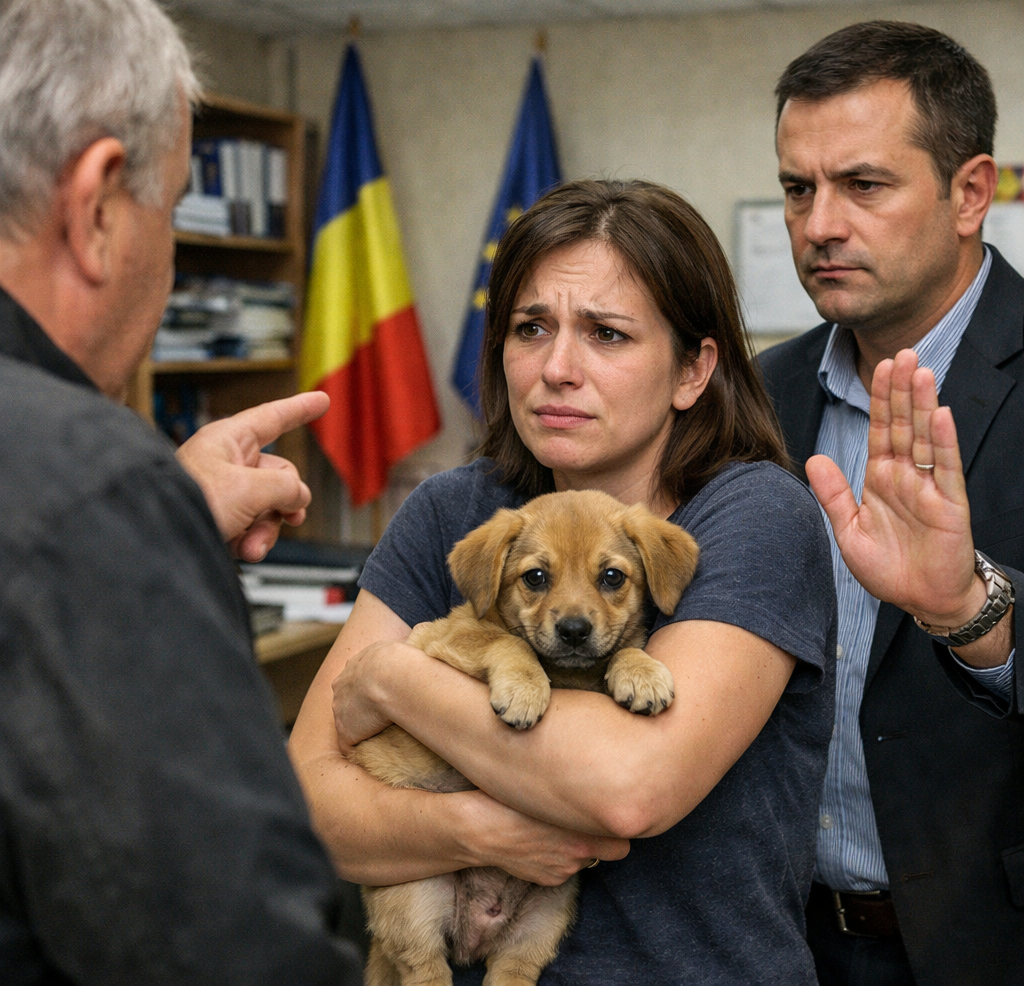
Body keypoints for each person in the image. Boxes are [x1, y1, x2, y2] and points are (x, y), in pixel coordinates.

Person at [289, 178, 838, 985]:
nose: (557, 368)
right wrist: (482, 833)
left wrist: (392, 678)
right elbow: (307, 804)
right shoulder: (456, 509)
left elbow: (627, 788)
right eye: (530, 327)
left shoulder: (753, 515)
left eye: (607, 334)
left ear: (693, 371)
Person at [0, 0, 364, 981]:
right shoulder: (87, 487)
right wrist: (122, 509)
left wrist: (160, 509)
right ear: (98, 206)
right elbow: (227, 945)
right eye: (170, 209)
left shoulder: (88, 493)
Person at [762, 21, 1023, 986]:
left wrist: (972, 614)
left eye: (863, 185)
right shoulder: (756, 398)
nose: (819, 222)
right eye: (799, 188)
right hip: (777, 937)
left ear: (969, 193)